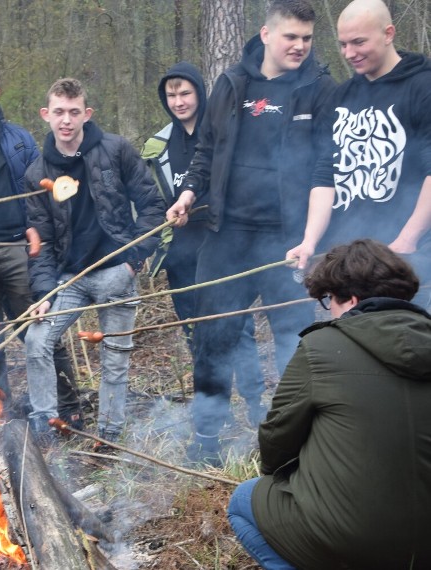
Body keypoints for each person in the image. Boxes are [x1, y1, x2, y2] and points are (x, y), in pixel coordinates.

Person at [166, 0, 336, 465]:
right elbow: (206, 151)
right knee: (213, 339)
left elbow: (327, 166)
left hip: (288, 242)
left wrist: (312, 240)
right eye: (290, 37)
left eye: (306, 38)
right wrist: (188, 196)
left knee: (297, 344)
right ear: (266, 34)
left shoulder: (320, 89)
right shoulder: (231, 83)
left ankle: (302, 443)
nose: (300, 46)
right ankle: (206, 441)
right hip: (226, 237)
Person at [228, 239, 431, 569]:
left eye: (328, 300)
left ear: (350, 300)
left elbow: (278, 439)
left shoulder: (323, 346)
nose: (327, 310)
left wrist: (289, 477)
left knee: (243, 500)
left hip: (353, 540)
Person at [23, 78, 164, 445]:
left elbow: (153, 207)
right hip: (69, 278)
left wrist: (132, 260)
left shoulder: (116, 150)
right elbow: (42, 242)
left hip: (116, 271)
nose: (66, 121)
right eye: (58, 113)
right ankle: (47, 428)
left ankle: (108, 438)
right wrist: (43, 292)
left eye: (74, 112)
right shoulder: (36, 173)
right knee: (37, 340)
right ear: (45, 115)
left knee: (114, 359)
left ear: (87, 114)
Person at [0, 58, 83, 426]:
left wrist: (37, 229)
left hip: (20, 251)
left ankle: (69, 407)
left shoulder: (18, 138)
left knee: (41, 331)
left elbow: (38, 190)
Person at [141, 62, 266, 426]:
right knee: (195, 332)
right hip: (181, 254)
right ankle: (213, 410)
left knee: (237, 328)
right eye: (171, 95)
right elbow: (155, 197)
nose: (179, 101)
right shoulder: (160, 146)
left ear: (200, 92)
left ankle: (256, 404)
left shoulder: (221, 135)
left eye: (185, 93)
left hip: (222, 248)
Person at [287, 0, 431, 301]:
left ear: (388, 33)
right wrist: (310, 240)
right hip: (351, 258)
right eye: (343, 44)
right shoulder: (342, 96)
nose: (349, 53)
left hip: (407, 257)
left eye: (359, 42)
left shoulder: (422, 86)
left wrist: (408, 239)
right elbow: (326, 174)